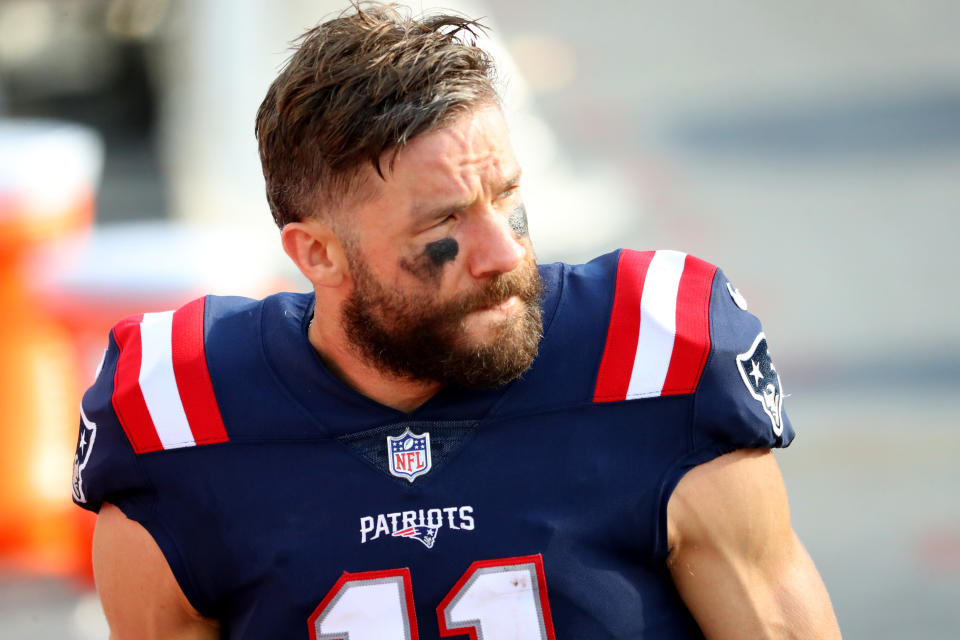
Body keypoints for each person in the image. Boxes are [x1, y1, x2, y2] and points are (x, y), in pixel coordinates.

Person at [72, 3, 842, 638]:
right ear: (319, 255)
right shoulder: (179, 418)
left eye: (506, 195)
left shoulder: (652, 357)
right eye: (444, 222)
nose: (504, 251)